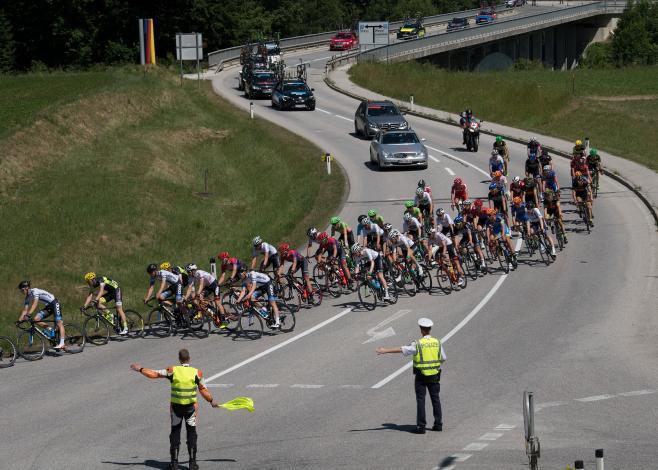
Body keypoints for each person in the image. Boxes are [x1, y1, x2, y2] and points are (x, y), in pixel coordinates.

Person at [130, 349, 217, 470]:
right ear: (189, 359)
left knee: (175, 433)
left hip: (176, 408)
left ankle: (174, 463)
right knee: (191, 434)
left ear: (179, 359)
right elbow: (203, 390)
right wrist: (211, 401)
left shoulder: (172, 370)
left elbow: (153, 374)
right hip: (190, 409)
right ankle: (192, 463)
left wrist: (140, 369)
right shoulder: (197, 373)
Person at [376, 318, 445, 434]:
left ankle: (421, 427)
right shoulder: (437, 342)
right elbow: (443, 358)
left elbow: (402, 349)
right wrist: (435, 366)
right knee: (436, 399)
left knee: (421, 400)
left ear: (421, 330)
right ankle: (438, 424)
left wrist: (385, 350)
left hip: (421, 376)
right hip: (434, 375)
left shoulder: (417, 344)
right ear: (430, 329)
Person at [17, 280, 66, 350]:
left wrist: (29, 314)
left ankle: (62, 343)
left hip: (55, 303)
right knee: (36, 319)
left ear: (26, 288)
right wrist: (19, 320)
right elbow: (25, 310)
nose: (21, 292)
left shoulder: (35, 291)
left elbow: (35, 303)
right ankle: (51, 329)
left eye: (21, 290)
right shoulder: (27, 298)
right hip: (48, 307)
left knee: (59, 322)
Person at [185, 263, 226, 328]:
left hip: (214, 285)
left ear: (193, 270)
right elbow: (190, 288)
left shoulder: (199, 273)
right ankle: (209, 309)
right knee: (200, 298)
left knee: (217, 302)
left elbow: (201, 284)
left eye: (188, 271)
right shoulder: (191, 277)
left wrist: (198, 293)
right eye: (187, 272)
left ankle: (224, 321)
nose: (188, 273)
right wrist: (186, 297)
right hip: (207, 287)